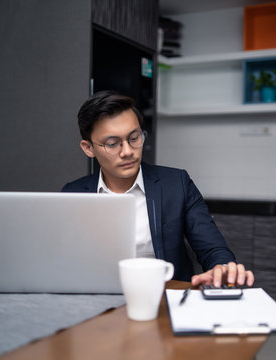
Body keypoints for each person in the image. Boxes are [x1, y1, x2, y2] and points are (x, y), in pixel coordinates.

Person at [62, 90, 254, 288]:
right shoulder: (73, 194)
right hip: (97, 299)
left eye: (134, 138)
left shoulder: (176, 184)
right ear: (88, 148)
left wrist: (221, 268)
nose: (127, 152)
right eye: (112, 144)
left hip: (165, 297)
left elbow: (212, 248)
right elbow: (63, 261)